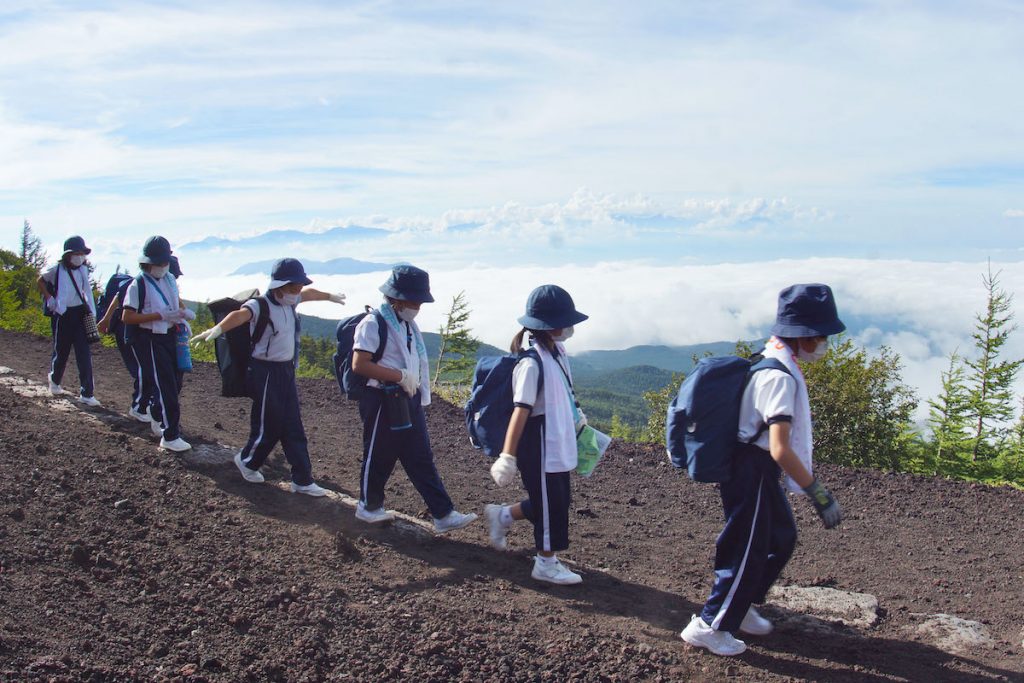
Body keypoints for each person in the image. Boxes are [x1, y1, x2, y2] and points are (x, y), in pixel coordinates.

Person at [680, 283, 845, 656]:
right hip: (751, 468)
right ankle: (710, 625)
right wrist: (819, 494)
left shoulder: (774, 359)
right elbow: (780, 447)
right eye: (818, 336)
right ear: (799, 336)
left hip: (757, 468)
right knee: (747, 549)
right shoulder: (779, 377)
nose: (823, 343)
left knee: (780, 538)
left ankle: (742, 605)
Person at [191, 258, 345, 497]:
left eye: (298, 286)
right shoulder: (259, 305)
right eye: (294, 286)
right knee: (268, 424)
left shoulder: (290, 301)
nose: (297, 291)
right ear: (280, 284)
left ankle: (302, 479)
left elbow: (310, 293)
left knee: (293, 424)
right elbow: (238, 316)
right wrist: (217, 329)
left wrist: (330, 296)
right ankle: (248, 461)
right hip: (264, 371)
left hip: (286, 371)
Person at [350, 265, 477, 532]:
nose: (417, 305)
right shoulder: (373, 324)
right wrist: (397, 375)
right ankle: (368, 507)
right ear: (396, 298)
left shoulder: (407, 326)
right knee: (379, 453)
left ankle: (443, 513)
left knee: (420, 455)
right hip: (382, 397)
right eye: (414, 299)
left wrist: (410, 383)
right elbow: (359, 364)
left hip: (407, 396)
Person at [485, 285, 589, 585]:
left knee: (556, 500)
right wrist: (508, 455)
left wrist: (576, 416)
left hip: (555, 435)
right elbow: (521, 410)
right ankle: (545, 563)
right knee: (549, 502)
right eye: (565, 321)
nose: (569, 328)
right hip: (539, 440)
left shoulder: (556, 352)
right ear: (550, 325)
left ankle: (503, 516)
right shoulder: (530, 363)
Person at [121, 236, 195, 452]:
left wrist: (181, 313)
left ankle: (156, 414)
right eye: (159, 263)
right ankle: (170, 435)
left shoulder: (170, 278)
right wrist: (157, 316)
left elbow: (174, 299)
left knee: (176, 380)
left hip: (171, 335)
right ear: (148, 262)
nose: (163, 266)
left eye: (165, 262)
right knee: (165, 385)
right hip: (151, 339)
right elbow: (128, 317)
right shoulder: (139, 284)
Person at [97, 256, 185, 423]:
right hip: (134, 333)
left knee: (152, 373)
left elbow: (180, 306)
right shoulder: (141, 284)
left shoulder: (167, 286)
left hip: (152, 334)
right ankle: (141, 407)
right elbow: (120, 301)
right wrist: (106, 319)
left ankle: (145, 407)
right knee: (144, 372)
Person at [37, 235, 100, 406]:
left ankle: (87, 392)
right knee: (61, 351)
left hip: (80, 314)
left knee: (84, 354)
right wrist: (50, 299)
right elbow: (40, 281)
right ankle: (55, 380)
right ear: (68, 255)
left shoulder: (83, 270)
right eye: (76, 253)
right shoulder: (56, 269)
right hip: (63, 314)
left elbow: (85, 292)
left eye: (82, 253)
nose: (80, 257)